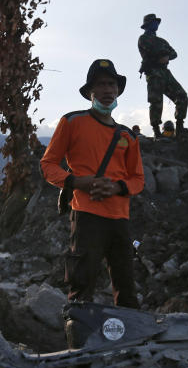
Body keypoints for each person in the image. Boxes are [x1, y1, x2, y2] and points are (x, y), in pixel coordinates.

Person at [40, 59, 145, 308]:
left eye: (112, 84)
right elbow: (48, 165)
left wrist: (118, 187)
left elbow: (138, 179)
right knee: (81, 283)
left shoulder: (127, 136)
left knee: (126, 286)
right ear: (90, 92)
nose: (107, 90)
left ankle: (130, 340)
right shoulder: (72, 122)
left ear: (118, 91)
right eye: (101, 85)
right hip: (87, 216)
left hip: (120, 218)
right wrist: (76, 181)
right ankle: (78, 337)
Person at [137, 13, 188, 138]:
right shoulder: (143, 39)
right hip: (153, 72)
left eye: (157, 22)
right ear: (147, 25)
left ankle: (180, 127)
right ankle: (156, 131)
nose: (157, 24)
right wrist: (160, 56)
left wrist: (165, 56)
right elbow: (151, 51)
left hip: (165, 72)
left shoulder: (161, 41)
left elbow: (174, 53)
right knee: (156, 101)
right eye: (154, 22)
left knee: (182, 96)